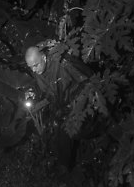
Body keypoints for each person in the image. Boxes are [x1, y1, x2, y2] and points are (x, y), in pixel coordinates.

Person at [24, 41, 92, 170]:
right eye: (30, 67)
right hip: (61, 109)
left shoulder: (63, 62)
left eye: (35, 65)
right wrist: (32, 92)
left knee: (79, 132)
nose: (33, 70)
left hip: (80, 105)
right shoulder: (37, 70)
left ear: (44, 57)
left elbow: (87, 80)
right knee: (61, 137)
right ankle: (64, 169)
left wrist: (76, 104)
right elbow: (43, 88)